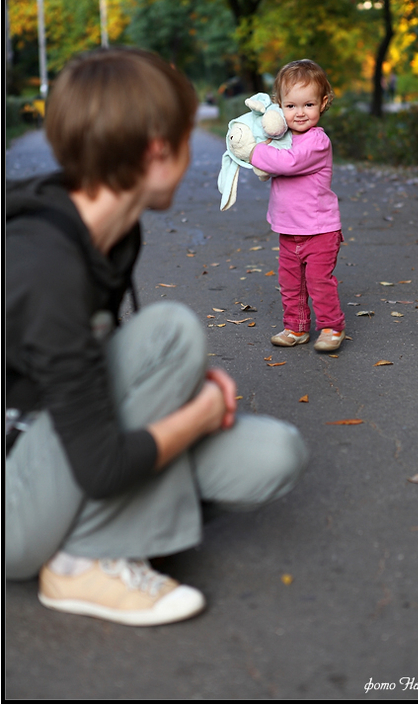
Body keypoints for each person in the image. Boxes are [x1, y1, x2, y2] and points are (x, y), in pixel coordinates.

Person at [5, 47, 308, 627]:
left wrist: (179, 386)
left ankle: (107, 534)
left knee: (274, 454)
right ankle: (78, 566)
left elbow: (88, 369)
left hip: (65, 439)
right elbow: (100, 465)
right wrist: (200, 412)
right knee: (172, 334)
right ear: (157, 151)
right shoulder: (42, 263)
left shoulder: (115, 236)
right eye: (187, 138)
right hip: (15, 498)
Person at [249, 59, 346, 352]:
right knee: (291, 283)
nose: (300, 112)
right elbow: (271, 165)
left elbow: (288, 164)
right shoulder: (282, 138)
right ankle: (296, 326)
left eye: (308, 105)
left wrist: (254, 152)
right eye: (291, 106)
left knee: (319, 281)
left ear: (323, 103)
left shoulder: (317, 141)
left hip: (319, 230)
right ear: (279, 106)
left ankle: (331, 326)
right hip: (289, 229)